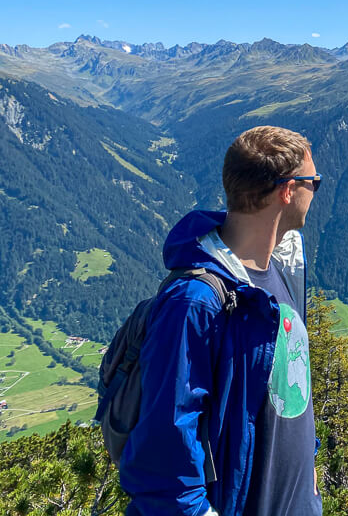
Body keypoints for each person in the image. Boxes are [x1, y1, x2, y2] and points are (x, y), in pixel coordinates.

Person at [120, 126, 324, 516]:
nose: (316, 189)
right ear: (287, 190)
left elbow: (286, 386)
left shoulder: (278, 271)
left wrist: (307, 459)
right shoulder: (195, 304)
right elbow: (165, 457)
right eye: (313, 181)